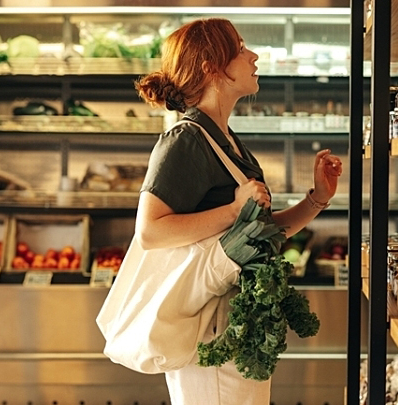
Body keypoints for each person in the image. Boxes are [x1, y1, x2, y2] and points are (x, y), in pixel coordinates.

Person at [132, 18, 343, 404]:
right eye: (241, 47)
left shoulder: (224, 139)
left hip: (235, 325)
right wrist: (233, 209)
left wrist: (316, 199)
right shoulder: (185, 139)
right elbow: (150, 231)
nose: (254, 55)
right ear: (212, 67)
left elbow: (258, 232)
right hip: (208, 329)